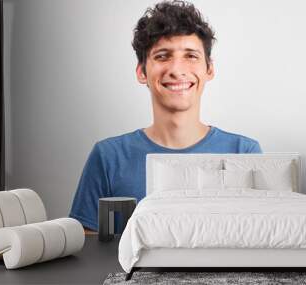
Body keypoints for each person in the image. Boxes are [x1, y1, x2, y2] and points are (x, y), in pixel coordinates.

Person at [69, 0, 262, 233]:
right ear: (142, 72)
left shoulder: (244, 153)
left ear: (209, 69)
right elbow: (90, 251)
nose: (177, 69)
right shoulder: (108, 157)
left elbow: (259, 238)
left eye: (191, 56)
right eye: (162, 56)